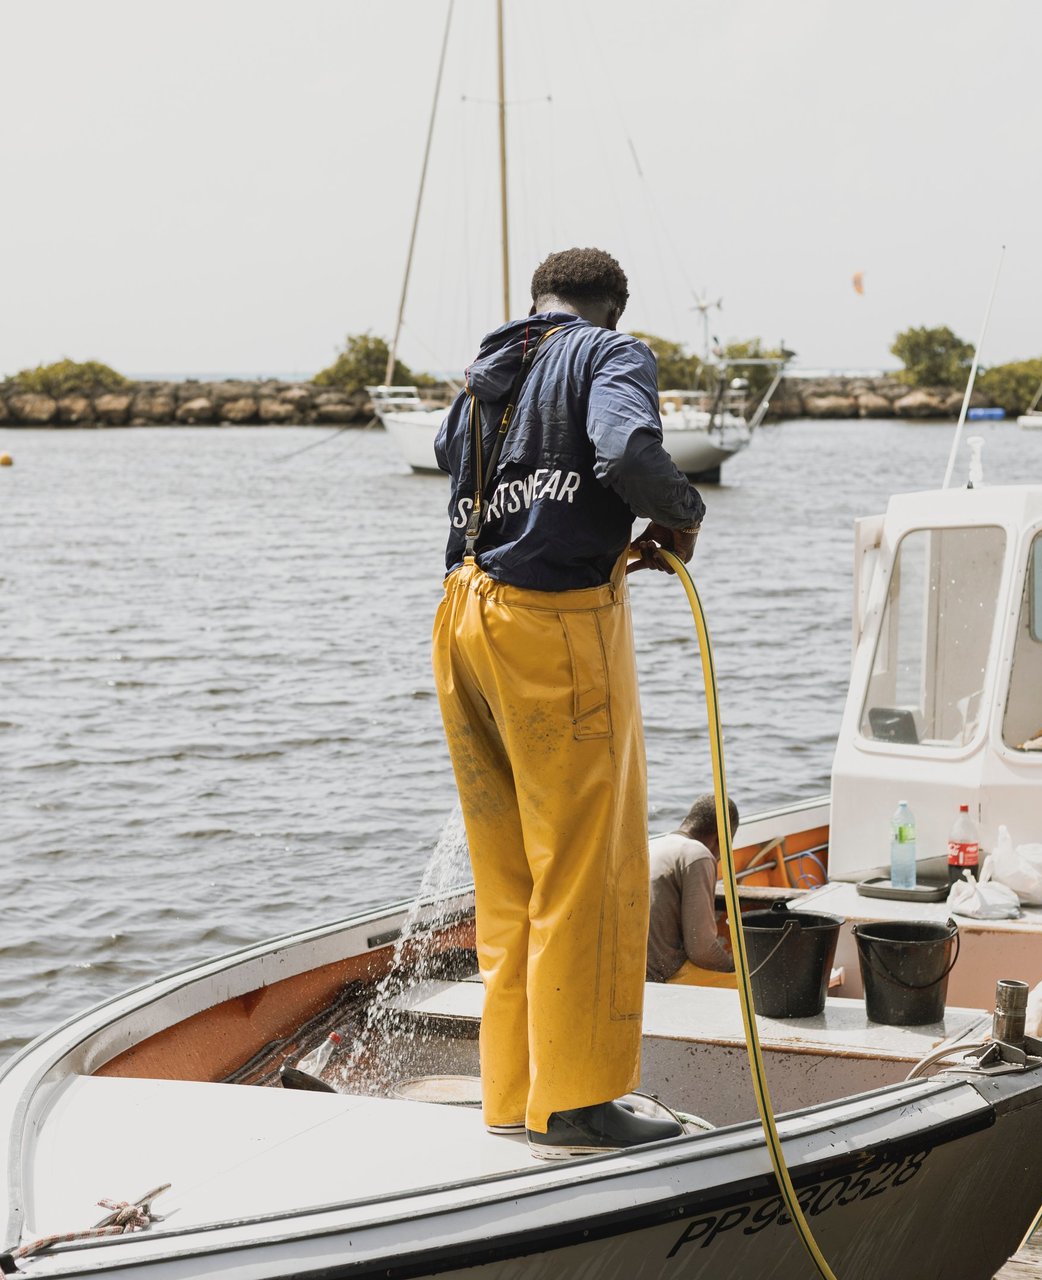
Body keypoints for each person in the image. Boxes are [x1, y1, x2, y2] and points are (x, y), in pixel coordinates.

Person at [430, 247, 707, 1159]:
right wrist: (682, 510)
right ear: (613, 308)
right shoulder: (609, 355)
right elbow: (626, 447)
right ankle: (578, 1104)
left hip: (465, 618)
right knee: (587, 871)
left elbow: (446, 455)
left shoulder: (492, 363)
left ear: (540, 299)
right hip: (552, 628)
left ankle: (513, 1094)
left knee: (509, 877)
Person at [647, 794, 741, 988]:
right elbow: (701, 949)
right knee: (755, 988)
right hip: (663, 978)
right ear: (720, 839)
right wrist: (733, 967)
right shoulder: (698, 855)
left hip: (634, 973)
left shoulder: (651, 845)